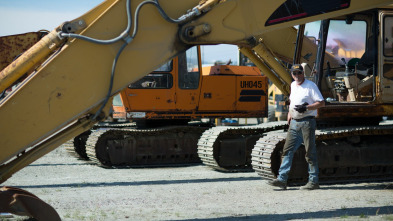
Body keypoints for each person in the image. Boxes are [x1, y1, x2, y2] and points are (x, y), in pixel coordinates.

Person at [268, 64, 325, 190]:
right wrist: (289, 113)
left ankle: (313, 181)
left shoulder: (311, 86)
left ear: (303, 73)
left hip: (307, 122)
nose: (297, 76)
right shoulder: (293, 85)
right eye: (295, 73)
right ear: (292, 74)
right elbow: (292, 100)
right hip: (294, 122)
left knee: (310, 153)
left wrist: (307, 107)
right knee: (287, 151)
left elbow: (321, 103)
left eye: (299, 73)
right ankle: (282, 180)